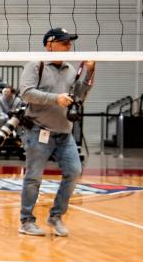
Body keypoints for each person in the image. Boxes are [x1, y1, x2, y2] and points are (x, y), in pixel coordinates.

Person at [18, 28, 95, 237]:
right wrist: (55, 98)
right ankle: (26, 220)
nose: (68, 46)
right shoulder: (36, 65)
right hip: (38, 130)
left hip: (64, 132)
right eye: (63, 42)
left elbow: (79, 97)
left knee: (74, 171)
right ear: (49, 44)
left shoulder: (71, 69)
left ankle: (56, 216)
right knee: (34, 177)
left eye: (69, 42)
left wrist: (90, 72)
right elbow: (25, 93)